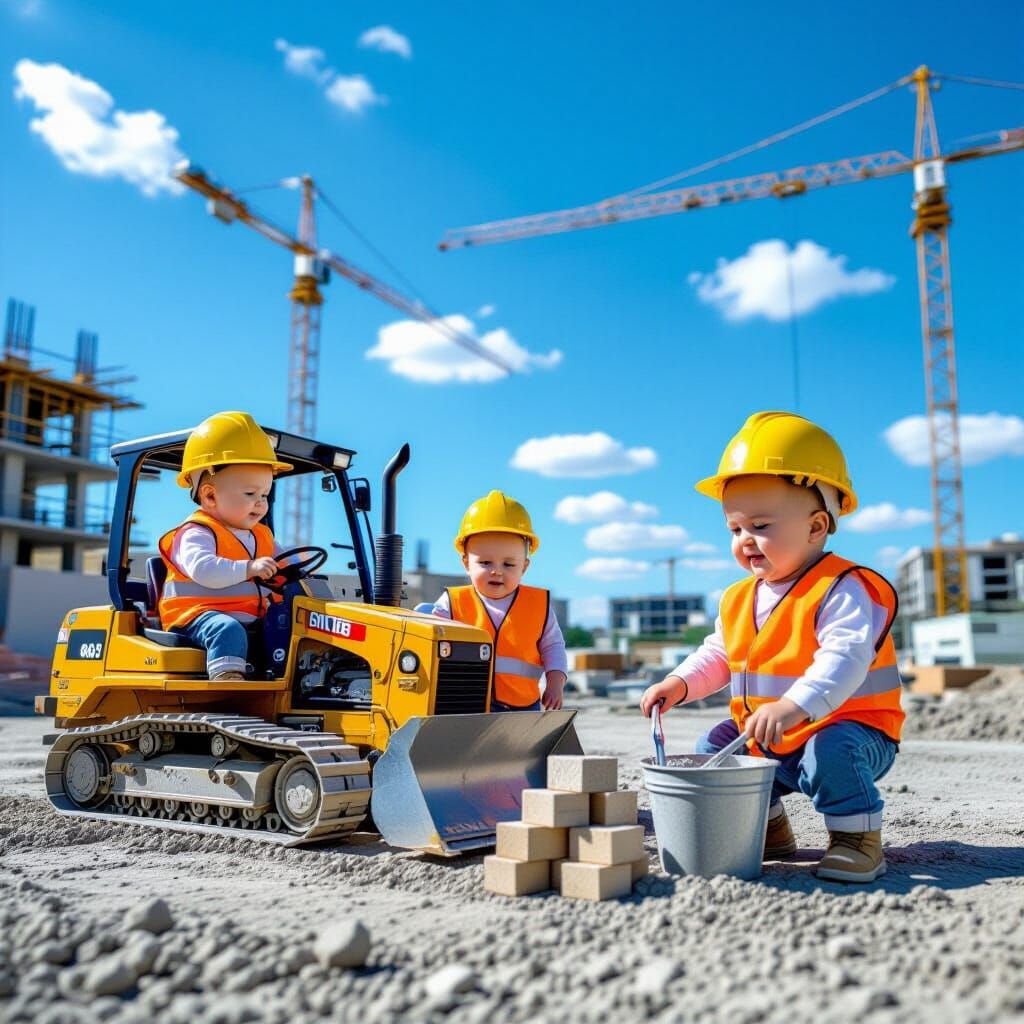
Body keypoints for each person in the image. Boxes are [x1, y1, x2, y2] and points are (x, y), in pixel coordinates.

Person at [640, 411, 904, 883]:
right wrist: (679, 683)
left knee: (831, 750)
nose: (745, 541)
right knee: (713, 745)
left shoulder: (842, 587)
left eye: (760, 525)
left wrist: (794, 705)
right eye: (734, 529)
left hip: (854, 731)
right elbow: (718, 654)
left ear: (817, 526)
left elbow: (844, 659)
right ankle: (770, 829)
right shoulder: (740, 596)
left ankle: (856, 837)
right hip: (773, 732)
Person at [158, 411, 292, 680]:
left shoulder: (261, 535)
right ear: (210, 495)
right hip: (196, 618)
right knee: (226, 629)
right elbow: (204, 569)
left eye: (265, 494)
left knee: (291, 624)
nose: (261, 502)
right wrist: (249, 568)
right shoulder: (197, 532)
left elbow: (288, 563)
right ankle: (228, 682)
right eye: (250, 494)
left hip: (249, 617)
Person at [426, 490, 567, 712]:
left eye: (508, 565)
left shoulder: (538, 604)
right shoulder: (451, 602)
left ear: (524, 567)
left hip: (523, 706)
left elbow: (553, 647)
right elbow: (428, 640)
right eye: (485, 563)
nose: (496, 572)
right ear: (466, 563)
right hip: (464, 705)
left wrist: (555, 683)